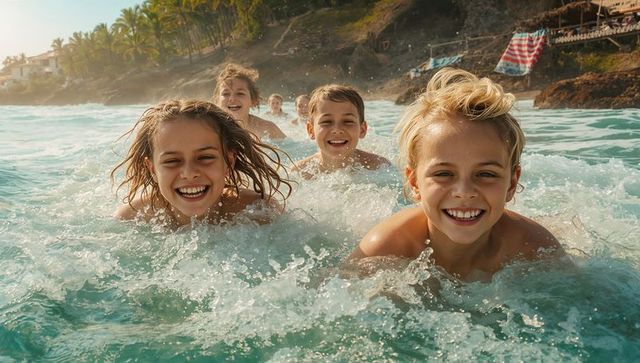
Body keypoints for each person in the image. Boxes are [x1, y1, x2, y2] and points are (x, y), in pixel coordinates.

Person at [349, 68, 564, 281]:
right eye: (443, 173)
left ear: (512, 183)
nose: (464, 192)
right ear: (414, 183)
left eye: (486, 174)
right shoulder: (384, 251)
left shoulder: (536, 250)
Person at [111, 99, 292, 227]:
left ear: (228, 162)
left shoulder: (259, 212)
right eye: (172, 161)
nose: (189, 173)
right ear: (152, 169)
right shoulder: (133, 218)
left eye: (205, 158)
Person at [294, 84, 391, 178]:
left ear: (362, 130)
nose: (337, 130)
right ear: (311, 130)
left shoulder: (380, 166)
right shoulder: (300, 172)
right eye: (327, 122)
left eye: (348, 121)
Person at [213, 63, 286, 140]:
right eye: (226, 94)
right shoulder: (210, 130)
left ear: (253, 100)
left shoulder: (268, 129)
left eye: (240, 93)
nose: (232, 98)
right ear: (217, 101)